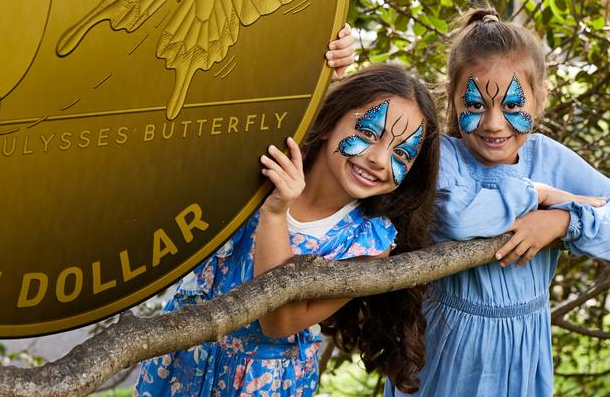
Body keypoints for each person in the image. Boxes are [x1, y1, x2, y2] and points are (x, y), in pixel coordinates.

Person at [135, 63, 441, 397]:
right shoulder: (267, 157)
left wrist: (276, 212)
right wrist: (324, 59)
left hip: (261, 383)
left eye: (401, 153)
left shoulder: (368, 243)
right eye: (368, 133)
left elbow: (277, 323)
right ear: (330, 121)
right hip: (181, 355)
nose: (380, 159)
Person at [385, 8, 610, 397]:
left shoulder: (550, 158)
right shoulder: (443, 155)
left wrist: (560, 223)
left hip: (522, 351)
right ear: (452, 99)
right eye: (474, 105)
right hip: (447, 349)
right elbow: (458, 218)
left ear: (539, 100)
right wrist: (537, 195)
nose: (492, 123)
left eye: (512, 106)